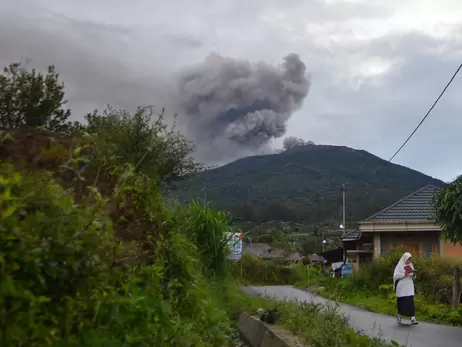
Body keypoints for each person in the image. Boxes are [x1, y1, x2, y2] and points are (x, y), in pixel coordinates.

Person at [393, 252, 418, 324]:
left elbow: (413, 277)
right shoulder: (399, 266)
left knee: (410, 301)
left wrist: (413, 274)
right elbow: (396, 276)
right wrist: (404, 274)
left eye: (410, 260)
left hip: (409, 286)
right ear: (404, 259)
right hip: (402, 287)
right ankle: (399, 316)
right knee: (401, 302)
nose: (409, 261)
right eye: (408, 259)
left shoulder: (411, 265)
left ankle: (413, 318)